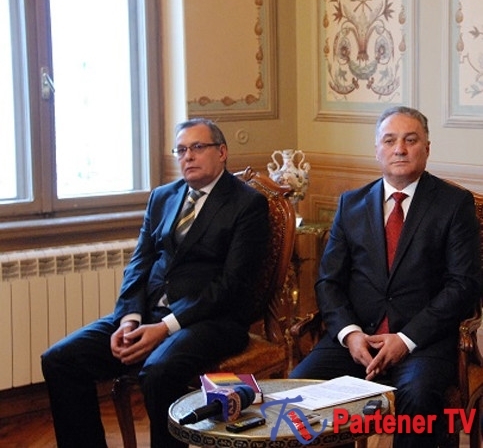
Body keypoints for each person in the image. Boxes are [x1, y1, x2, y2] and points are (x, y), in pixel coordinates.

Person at [41, 118, 270, 448]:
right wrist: (128, 319)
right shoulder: (163, 197)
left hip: (210, 320)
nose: (187, 156)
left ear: (222, 152)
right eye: (181, 150)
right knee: (60, 359)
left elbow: (231, 285)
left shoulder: (247, 204)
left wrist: (165, 327)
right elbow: (139, 264)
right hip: (148, 315)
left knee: (158, 373)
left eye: (197, 147)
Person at [290, 106, 481, 448]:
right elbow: (328, 282)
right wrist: (350, 335)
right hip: (357, 340)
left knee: (418, 398)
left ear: (427, 148)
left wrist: (406, 339)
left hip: (421, 343)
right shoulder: (351, 204)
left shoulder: (454, 204)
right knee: (298, 390)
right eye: (390, 140)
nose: (400, 149)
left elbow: (463, 285)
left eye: (411, 140)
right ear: (377, 149)